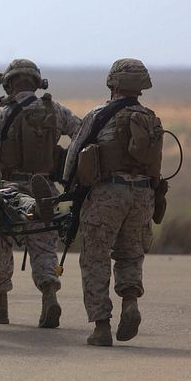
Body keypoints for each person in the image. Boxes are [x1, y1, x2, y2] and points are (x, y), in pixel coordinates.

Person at [63, 58, 164, 346]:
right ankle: (130, 303)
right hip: (142, 195)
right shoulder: (150, 119)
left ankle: (101, 326)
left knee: (95, 258)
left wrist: (69, 189)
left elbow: (73, 156)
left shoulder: (98, 115)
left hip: (107, 194)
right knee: (131, 255)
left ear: (113, 84)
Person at [0, 59, 81, 328]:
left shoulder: (3, 114)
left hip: (9, 189)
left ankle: (0, 308)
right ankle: (49, 298)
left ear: (10, 83)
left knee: (1, 244)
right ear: (37, 83)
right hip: (45, 189)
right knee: (44, 245)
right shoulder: (56, 110)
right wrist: (64, 166)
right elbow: (81, 134)